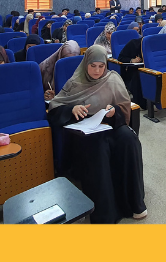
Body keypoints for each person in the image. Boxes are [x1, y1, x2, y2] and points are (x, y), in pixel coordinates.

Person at [48, 46, 147, 223]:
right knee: (99, 147)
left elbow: (124, 109)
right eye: (93, 66)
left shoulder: (113, 79)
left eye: (101, 66)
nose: (97, 71)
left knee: (129, 139)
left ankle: (134, 202)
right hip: (84, 130)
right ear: (86, 64)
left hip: (110, 123)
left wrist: (113, 111)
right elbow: (55, 107)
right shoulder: (75, 82)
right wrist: (72, 109)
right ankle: (105, 213)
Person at [117, 33, 145, 106]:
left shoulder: (152, 45)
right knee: (139, 75)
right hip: (132, 71)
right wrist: (132, 60)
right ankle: (141, 103)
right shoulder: (133, 44)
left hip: (146, 68)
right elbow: (121, 58)